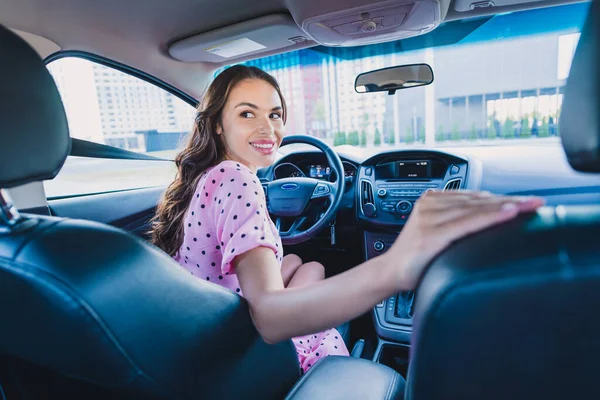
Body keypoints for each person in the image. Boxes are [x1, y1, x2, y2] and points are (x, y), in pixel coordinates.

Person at [150, 65, 544, 373]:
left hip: (210, 327)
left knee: (303, 262)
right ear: (218, 124)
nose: (268, 128)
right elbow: (269, 318)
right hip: (245, 343)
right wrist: (396, 266)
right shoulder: (239, 179)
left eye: (275, 114)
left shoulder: (207, 177)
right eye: (247, 114)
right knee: (312, 270)